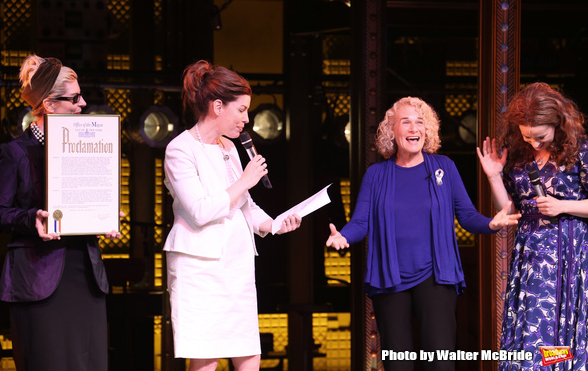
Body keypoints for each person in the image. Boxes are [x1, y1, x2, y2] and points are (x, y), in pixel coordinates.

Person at [326, 96, 520, 371]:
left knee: (440, 363)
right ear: (392, 131)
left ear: (427, 131)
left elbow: (466, 216)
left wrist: (491, 223)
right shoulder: (376, 174)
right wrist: (343, 236)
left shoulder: (444, 167)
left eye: (420, 122)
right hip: (389, 278)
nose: (414, 128)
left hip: (436, 277)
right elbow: (360, 222)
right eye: (406, 122)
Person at [163, 60, 301, 371]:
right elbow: (199, 210)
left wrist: (276, 224)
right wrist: (245, 181)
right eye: (241, 110)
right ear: (217, 106)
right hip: (200, 267)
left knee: (250, 354)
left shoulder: (229, 147)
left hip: (236, 265)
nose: (246, 119)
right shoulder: (180, 150)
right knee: (207, 359)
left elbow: (245, 205)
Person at [0, 54, 121, 371]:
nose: (83, 103)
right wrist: (31, 218)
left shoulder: (87, 144)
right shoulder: (16, 152)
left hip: (85, 275)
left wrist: (104, 218)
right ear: (48, 104)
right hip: (39, 277)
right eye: (75, 97)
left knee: (90, 363)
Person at [477, 82, 588, 370]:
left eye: (540, 136)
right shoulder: (520, 153)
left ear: (557, 123)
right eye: (527, 137)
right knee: (530, 327)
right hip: (529, 252)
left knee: (559, 329)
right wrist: (494, 176)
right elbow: (509, 210)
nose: (534, 144)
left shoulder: (580, 149)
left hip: (569, 254)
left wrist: (564, 206)